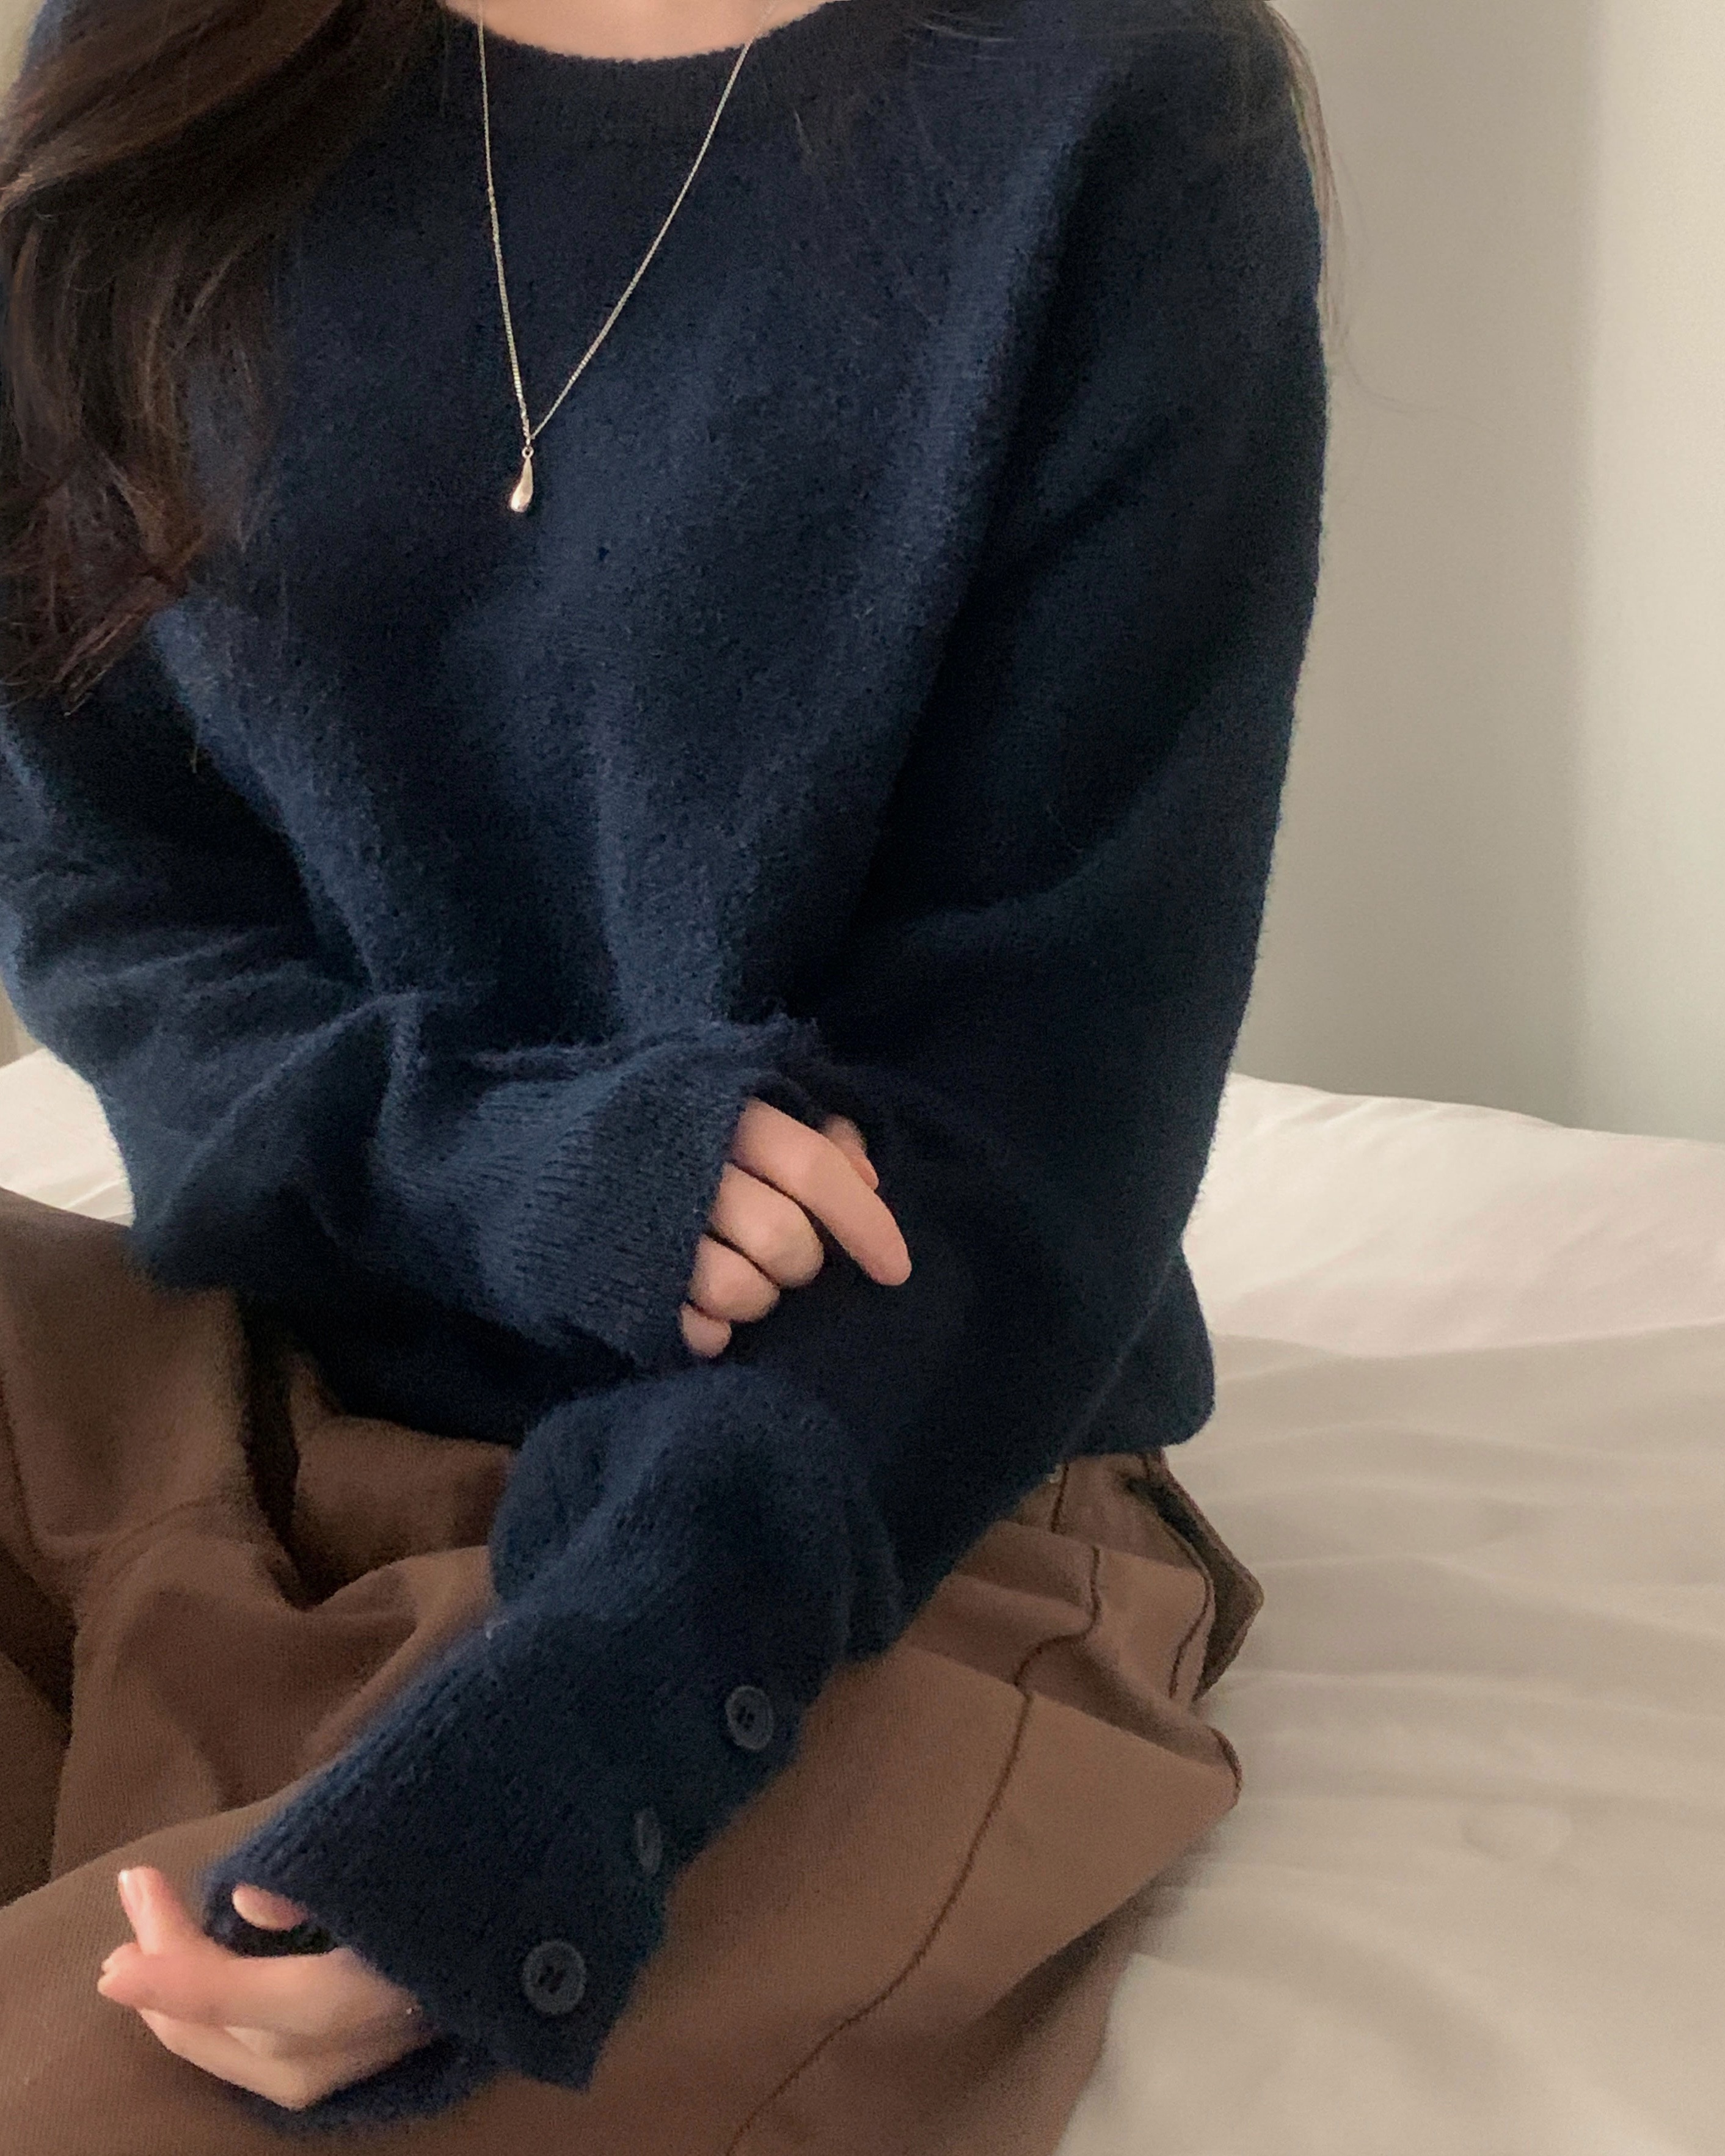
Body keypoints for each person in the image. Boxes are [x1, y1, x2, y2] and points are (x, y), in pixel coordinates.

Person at [0, 0, 1334, 2145]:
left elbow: (1038, 1102)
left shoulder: (1122, 107)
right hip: (248, 1362)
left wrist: (558, 1771)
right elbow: (100, 882)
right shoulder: (166, 49)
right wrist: (490, 1162)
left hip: (838, 1490)